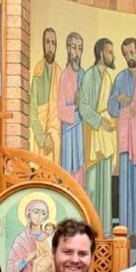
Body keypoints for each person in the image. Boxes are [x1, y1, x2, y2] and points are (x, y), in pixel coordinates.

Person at [79, 38, 118, 229]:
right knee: (93, 185)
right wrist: (100, 120)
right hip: (94, 133)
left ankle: (105, 230)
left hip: (107, 133)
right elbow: (83, 107)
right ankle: (92, 228)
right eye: (110, 52)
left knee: (106, 187)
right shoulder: (89, 76)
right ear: (101, 53)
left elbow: (110, 106)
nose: (113, 55)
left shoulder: (109, 77)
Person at [110, 37, 136, 235]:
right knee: (124, 184)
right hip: (125, 136)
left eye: (132, 52)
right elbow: (111, 107)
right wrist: (118, 100)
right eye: (125, 54)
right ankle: (123, 229)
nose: (129, 57)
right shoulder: (120, 78)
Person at [7, 198, 55, 272]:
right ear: (28, 213)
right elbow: (11, 266)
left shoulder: (49, 238)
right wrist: (25, 260)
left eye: (43, 213)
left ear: (46, 217)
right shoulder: (21, 240)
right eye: (36, 212)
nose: (39, 216)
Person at [58, 31, 85, 183]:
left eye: (80, 48)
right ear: (68, 49)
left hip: (81, 131)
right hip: (68, 132)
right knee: (68, 174)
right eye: (74, 48)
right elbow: (60, 110)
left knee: (81, 174)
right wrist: (75, 106)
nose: (77, 52)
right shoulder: (64, 76)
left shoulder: (84, 75)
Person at [30, 27, 60, 163]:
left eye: (53, 43)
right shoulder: (37, 72)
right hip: (40, 136)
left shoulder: (60, 73)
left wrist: (52, 134)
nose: (50, 47)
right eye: (47, 42)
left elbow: (60, 110)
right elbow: (33, 112)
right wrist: (42, 138)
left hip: (56, 136)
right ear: (43, 44)